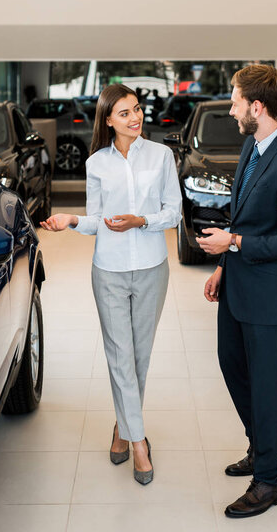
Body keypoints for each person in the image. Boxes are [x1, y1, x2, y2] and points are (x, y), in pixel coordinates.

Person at [40, 83, 181, 485]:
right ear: (108, 120)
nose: (135, 118)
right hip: (109, 271)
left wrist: (142, 220)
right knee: (119, 355)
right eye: (124, 113)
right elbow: (97, 220)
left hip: (153, 266)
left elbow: (174, 212)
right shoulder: (97, 163)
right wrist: (70, 220)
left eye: (136, 109)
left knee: (139, 357)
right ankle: (138, 443)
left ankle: (121, 428)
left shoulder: (161, 156)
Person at [196, 65, 277, 518]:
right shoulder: (253, 143)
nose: (230, 110)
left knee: (267, 387)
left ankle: (269, 480)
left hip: (272, 295)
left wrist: (235, 243)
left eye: (233, 102)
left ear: (256, 106)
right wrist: (224, 266)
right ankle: (263, 446)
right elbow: (246, 219)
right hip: (239, 282)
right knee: (233, 367)